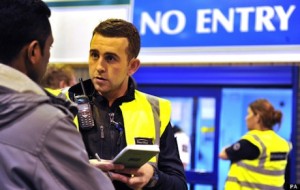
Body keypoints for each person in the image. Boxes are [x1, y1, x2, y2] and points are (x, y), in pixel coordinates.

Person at [0, 1, 114, 190]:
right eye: (50, 48)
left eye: (110, 58)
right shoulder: (46, 123)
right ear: (34, 51)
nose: (100, 66)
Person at [67, 18, 187, 190]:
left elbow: (179, 186)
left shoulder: (156, 111)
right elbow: (36, 171)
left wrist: (153, 177)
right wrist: (80, 172)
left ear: (132, 66)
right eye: (94, 55)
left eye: (110, 58)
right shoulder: (62, 104)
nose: (99, 66)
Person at [219, 99, 291, 190]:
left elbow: (223, 154)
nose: (246, 118)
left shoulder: (252, 142)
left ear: (257, 117)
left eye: (248, 114)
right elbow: (287, 182)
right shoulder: (282, 144)